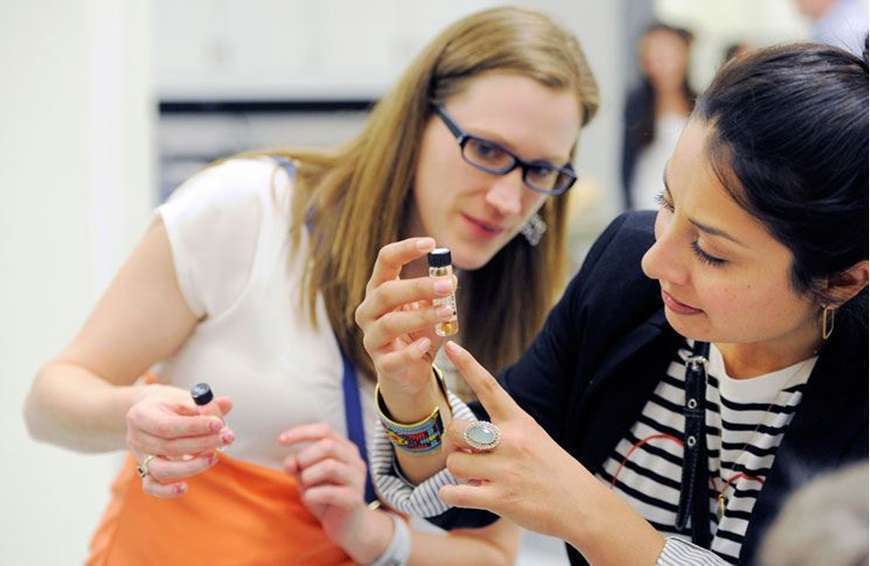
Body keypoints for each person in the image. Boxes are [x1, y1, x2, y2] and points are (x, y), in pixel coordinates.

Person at [22, 6, 600, 565]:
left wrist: (366, 532)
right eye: (487, 150)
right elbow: (48, 404)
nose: (507, 200)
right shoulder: (251, 210)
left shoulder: (521, 313)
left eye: (542, 171)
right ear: (417, 119)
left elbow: (488, 554)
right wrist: (132, 413)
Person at [359, 39, 868, 565]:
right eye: (667, 203)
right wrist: (412, 395)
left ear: (841, 280)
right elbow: (465, 493)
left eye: (712, 252)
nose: (656, 262)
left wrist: (592, 516)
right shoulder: (626, 271)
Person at [621, 23, 696, 211]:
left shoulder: (699, 101)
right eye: (652, 55)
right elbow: (627, 159)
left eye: (667, 53)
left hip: (688, 203)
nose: (660, 62)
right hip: (647, 201)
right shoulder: (638, 103)